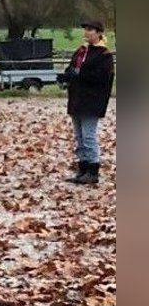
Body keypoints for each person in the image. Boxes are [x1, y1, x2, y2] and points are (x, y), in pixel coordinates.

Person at [57, 19, 115, 185]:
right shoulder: (81, 51)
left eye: (90, 29)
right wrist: (66, 76)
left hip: (92, 100)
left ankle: (93, 169)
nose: (87, 32)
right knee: (79, 136)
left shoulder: (104, 55)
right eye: (86, 29)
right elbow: (72, 68)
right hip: (77, 98)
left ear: (98, 33)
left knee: (88, 136)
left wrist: (79, 74)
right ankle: (82, 168)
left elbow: (102, 77)